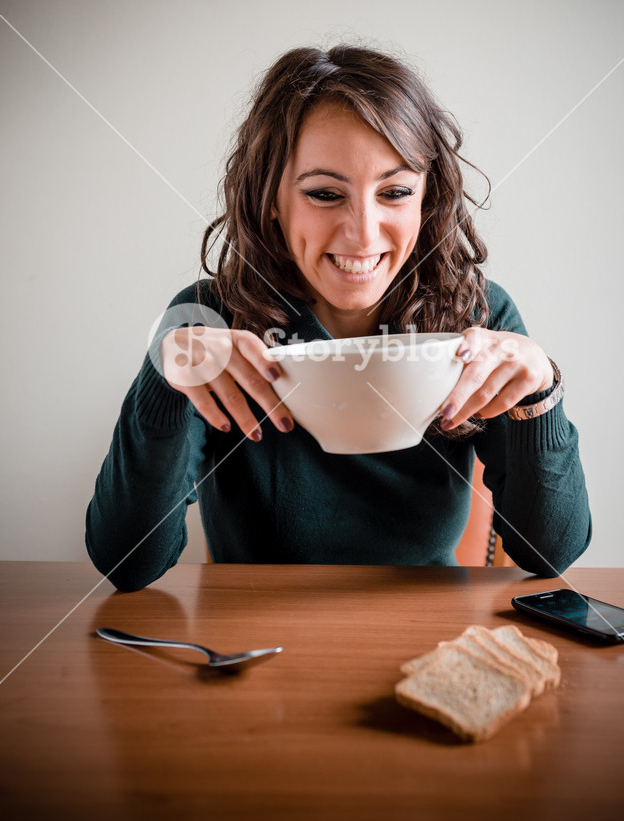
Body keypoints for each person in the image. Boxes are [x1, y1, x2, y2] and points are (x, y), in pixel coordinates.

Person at [86, 45, 591, 591]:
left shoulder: (477, 316)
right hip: (251, 638)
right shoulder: (209, 321)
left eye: (395, 192)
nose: (364, 233)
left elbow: (550, 554)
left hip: (426, 630)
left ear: (427, 199)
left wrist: (541, 394)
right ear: (270, 199)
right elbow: (126, 562)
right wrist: (167, 375)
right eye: (325, 194)